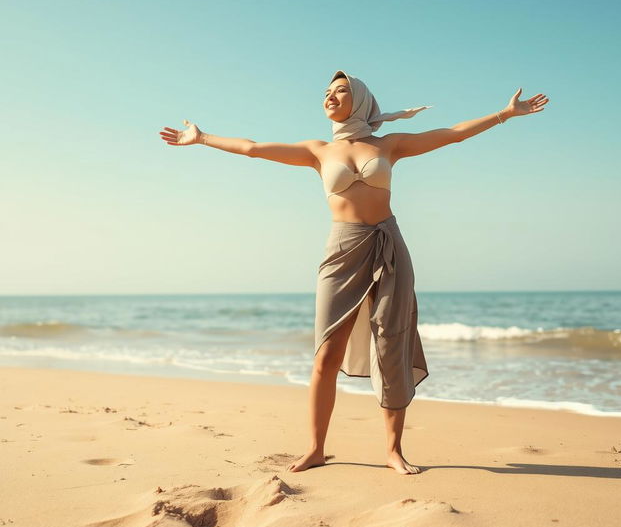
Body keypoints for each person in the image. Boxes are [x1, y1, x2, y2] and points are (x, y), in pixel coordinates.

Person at [159, 70, 549, 475]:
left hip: (389, 245)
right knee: (327, 352)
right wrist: (202, 138)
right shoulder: (318, 151)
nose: (330, 96)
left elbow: (452, 134)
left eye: (340, 90)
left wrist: (505, 113)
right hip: (342, 250)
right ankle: (314, 448)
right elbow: (253, 148)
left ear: (359, 100)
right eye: (326, 92)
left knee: (390, 344)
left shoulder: (389, 145)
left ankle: (394, 450)